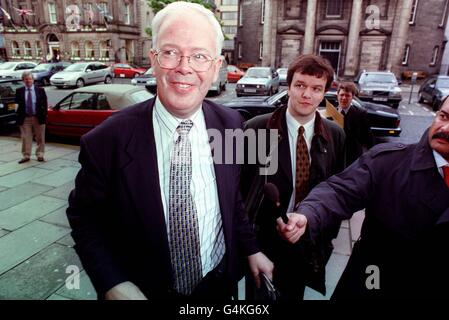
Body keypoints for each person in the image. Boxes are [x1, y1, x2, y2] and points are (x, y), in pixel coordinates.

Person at [66, 1, 273, 300]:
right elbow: (84, 217)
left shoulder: (230, 124)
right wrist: (112, 282)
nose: (184, 67)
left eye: (199, 56)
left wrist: (251, 249)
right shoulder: (106, 140)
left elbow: (231, 199)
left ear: (216, 67)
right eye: (170, 52)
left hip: (218, 285)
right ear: (153, 59)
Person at [277, 96, 449, 299]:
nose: (444, 128)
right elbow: (340, 190)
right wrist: (308, 214)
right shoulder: (389, 161)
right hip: (373, 281)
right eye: (443, 116)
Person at [241, 54, 346, 300]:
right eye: (300, 85)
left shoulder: (336, 135)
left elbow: (337, 192)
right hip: (262, 245)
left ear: (324, 94)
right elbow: (238, 193)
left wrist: (323, 238)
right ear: (288, 87)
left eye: (316, 88)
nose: (307, 94)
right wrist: (249, 246)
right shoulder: (256, 128)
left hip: (305, 245)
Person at [336, 82, 374, 165]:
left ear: (352, 97)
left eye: (347, 95)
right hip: (336, 157)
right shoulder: (331, 113)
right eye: (341, 95)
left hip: (353, 158)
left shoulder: (361, 114)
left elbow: (368, 138)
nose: (344, 98)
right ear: (337, 95)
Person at [15, 71, 48, 163]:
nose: (28, 81)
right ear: (23, 81)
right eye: (26, 79)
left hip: (38, 117)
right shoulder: (19, 91)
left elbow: (45, 104)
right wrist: (17, 115)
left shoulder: (40, 90)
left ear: (33, 80)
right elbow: (16, 105)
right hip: (25, 118)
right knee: (26, 137)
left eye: (30, 79)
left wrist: (45, 114)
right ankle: (26, 155)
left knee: (40, 137)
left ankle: (40, 154)